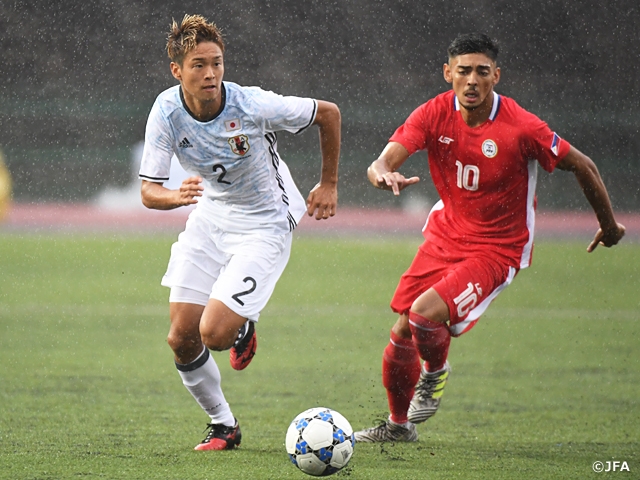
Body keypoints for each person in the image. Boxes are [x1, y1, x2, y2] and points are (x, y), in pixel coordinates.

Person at [354, 33, 625, 443]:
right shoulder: (432, 114)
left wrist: (609, 224)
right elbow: (382, 161)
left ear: (496, 76)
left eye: (482, 72)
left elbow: (582, 164)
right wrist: (381, 176)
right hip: (445, 235)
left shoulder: (522, 126)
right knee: (402, 330)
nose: (472, 81)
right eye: (463, 71)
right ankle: (398, 427)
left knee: (425, 315)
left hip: (497, 249)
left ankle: (435, 373)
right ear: (448, 74)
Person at [139, 14, 340, 451]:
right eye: (198, 65)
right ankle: (223, 426)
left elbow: (328, 113)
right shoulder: (166, 111)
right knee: (180, 337)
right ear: (177, 70)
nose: (210, 73)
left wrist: (329, 183)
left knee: (214, 333)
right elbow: (148, 192)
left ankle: (241, 326)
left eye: (216, 62)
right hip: (211, 217)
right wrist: (175, 198)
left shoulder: (251, 104)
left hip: (264, 222)